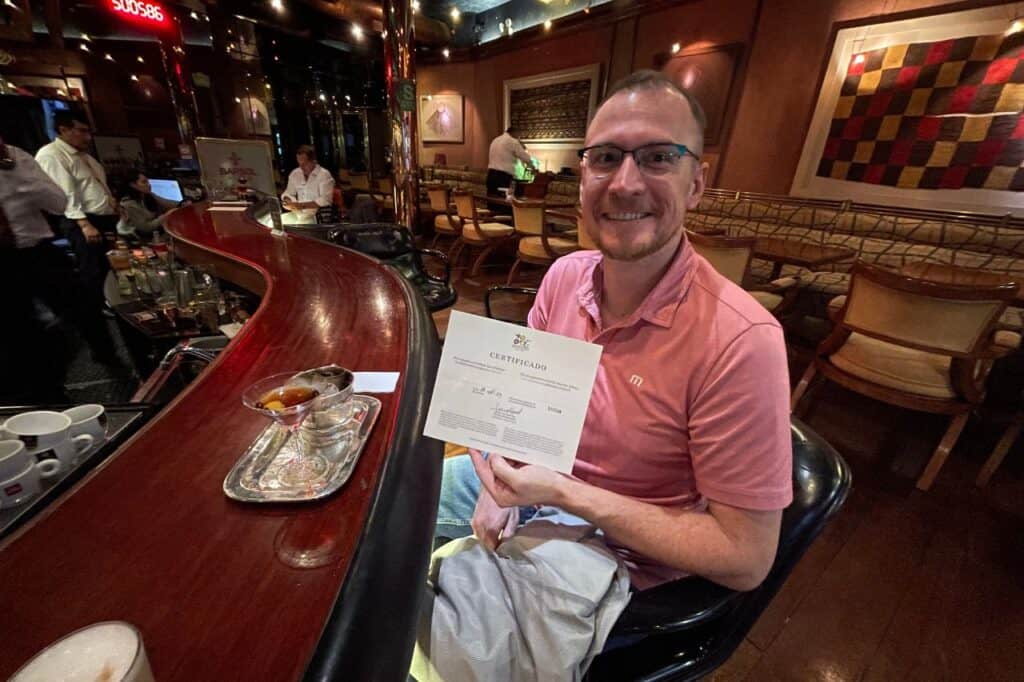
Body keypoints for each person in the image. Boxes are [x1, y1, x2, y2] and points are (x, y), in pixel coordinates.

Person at [428, 71, 793, 671]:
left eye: (657, 157)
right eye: (605, 158)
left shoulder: (742, 341)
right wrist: (495, 475)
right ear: (582, 178)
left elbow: (746, 557)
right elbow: (514, 410)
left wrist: (565, 494)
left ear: (697, 182)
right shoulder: (564, 277)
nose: (625, 183)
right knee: (381, 514)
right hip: (538, 489)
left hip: (615, 551)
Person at [0, 139, 114, 401]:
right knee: (20, 331)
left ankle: (110, 359)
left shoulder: (18, 156)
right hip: (2, 263)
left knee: (84, 308)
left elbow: (58, 203)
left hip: (38, 249)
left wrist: (17, 179)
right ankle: (49, 398)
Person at [35, 110, 119, 309]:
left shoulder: (83, 156)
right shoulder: (51, 155)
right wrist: (84, 224)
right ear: (64, 129)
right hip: (83, 221)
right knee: (92, 268)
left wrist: (112, 203)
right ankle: (99, 309)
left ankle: (112, 304)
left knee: (109, 266)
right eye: (82, 131)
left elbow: (93, 186)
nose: (88, 137)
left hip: (103, 218)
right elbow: (65, 193)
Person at [115, 171, 179, 241]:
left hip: (153, 235)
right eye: (144, 182)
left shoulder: (148, 195)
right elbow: (145, 228)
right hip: (139, 239)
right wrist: (165, 216)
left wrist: (183, 203)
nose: (149, 184)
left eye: (148, 182)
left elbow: (167, 203)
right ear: (133, 185)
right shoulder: (128, 204)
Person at [280, 144, 334, 224]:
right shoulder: (295, 173)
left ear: (314, 161)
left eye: (304, 164)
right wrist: (287, 200)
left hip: (317, 217)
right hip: (298, 215)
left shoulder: (324, 175)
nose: (301, 167)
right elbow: (289, 192)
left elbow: (325, 200)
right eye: (299, 163)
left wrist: (301, 205)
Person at [486, 126, 533, 212]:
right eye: (519, 135)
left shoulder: (495, 140)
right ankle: (504, 224)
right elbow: (526, 158)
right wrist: (533, 167)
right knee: (504, 205)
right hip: (503, 178)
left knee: (492, 204)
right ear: (515, 133)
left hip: (491, 176)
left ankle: (491, 223)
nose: (519, 137)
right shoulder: (513, 141)